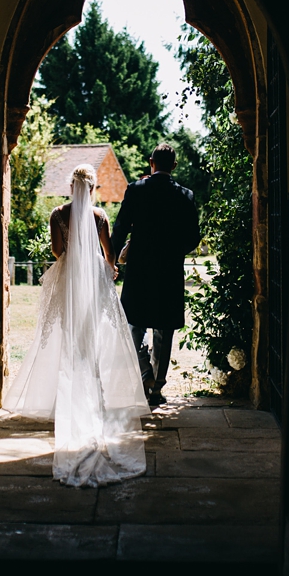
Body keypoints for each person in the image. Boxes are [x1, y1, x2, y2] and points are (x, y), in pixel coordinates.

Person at [2, 164, 150, 487]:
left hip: (69, 281)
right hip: (94, 282)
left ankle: (75, 410)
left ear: (71, 186)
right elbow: (109, 252)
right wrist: (109, 271)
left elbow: (57, 250)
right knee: (93, 344)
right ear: (93, 188)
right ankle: (95, 410)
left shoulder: (57, 214)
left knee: (72, 347)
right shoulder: (99, 217)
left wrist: (72, 257)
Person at [111, 143, 201, 406]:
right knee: (164, 329)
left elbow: (120, 227)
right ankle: (157, 388)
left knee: (133, 325)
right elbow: (193, 237)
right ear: (173, 166)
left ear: (151, 162)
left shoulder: (136, 190)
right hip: (169, 270)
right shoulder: (185, 195)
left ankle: (145, 373)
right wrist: (175, 252)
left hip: (139, 268)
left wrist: (112, 259)